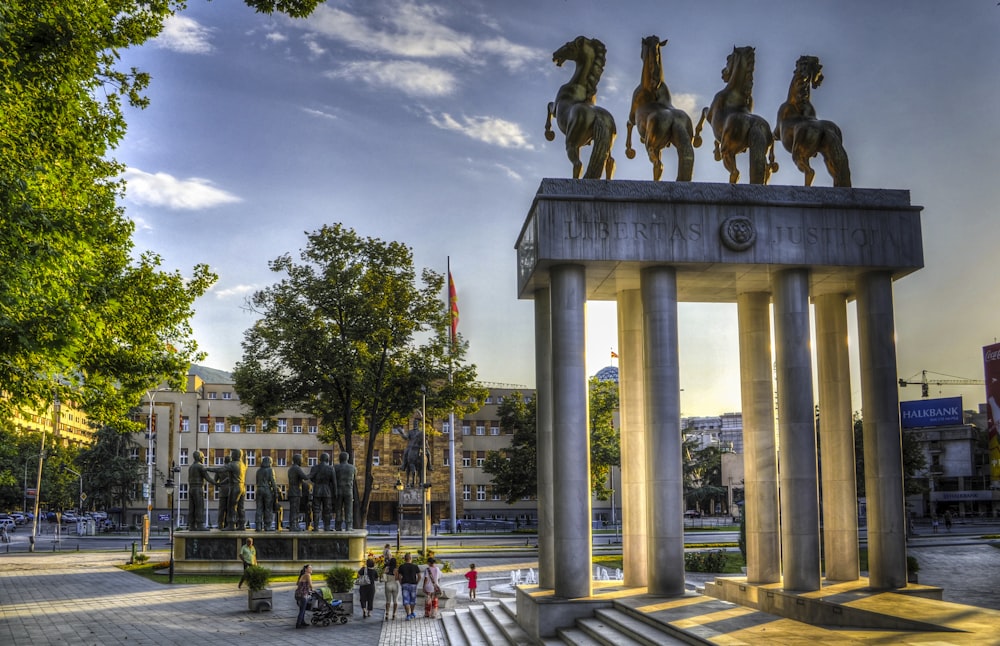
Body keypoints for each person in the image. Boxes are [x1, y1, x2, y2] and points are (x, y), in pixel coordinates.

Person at [187, 450, 216, 531]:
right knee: (199, 506)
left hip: (191, 488)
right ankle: (199, 524)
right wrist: (217, 484)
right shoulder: (200, 466)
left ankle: (192, 525)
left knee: (192, 507)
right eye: (203, 457)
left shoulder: (191, 467)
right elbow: (208, 478)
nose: (203, 459)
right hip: (198, 488)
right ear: (200, 457)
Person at [309, 453, 336, 531]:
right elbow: (334, 482)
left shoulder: (314, 468)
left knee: (316, 510)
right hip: (327, 491)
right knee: (327, 510)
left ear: (320, 459)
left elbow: (311, 478)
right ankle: (327, 527)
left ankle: (316, 527)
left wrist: (317, 482)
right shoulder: (331, 468)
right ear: (328, 459)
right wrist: (335, 492)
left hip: (317, 490)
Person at [333, 451, 356, 531]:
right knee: (348, 509)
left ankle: (338, 526)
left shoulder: (335, 467)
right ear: (347, 458)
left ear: (340, 458)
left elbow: (333, 480)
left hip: (338, 491)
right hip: (348, 491)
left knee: (338, 509)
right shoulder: (352, 468)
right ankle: (348, 526)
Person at [287, 454, 310, 530]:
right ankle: (293, 525)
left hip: (292, 491)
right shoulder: (297, 468)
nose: (302, 461)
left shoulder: (291, 468)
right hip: (295, 491)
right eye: (301, 459)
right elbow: (305, 477)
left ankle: (294, 524)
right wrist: (313, 473)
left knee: (294, 509)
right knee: (295, 509)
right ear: (298, 460)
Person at [397, 552, 421, 621]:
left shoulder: (401, 566)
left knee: (406, 600)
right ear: (410, 558)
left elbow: (399, 577)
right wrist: (416, 582)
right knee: (412, 600)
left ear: (405, 559)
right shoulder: (415, 566)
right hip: (413, 584)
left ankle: (408, 615)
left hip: (405, 584)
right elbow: (419, 576)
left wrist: (401, 583)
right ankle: (412, 612)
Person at [255, 456, 277, 531]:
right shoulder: (270, 470)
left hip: (259, 489)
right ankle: (267, 526)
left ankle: (258, 526)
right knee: (268, 508)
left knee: (259, 508)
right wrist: (276, 492)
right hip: (267, 490)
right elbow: (273, 482)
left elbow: (257, 482)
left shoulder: (258, 471)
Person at [294, 564, 314, 629]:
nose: (311, 569)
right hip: (303, 595)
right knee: (302, 610)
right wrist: (312, 590)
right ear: (306, 569)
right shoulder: (308, 575)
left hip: (298, 594)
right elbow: (311, 585)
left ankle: (302, 622)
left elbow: (298, 584)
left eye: (311, 568)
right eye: (310, 568)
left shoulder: (302, 575)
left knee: (302, 608)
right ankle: (298, 624)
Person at [383, 553, 399, 620]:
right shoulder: (396, 570)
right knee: (395, 600)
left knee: (388, 601)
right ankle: (394, 614)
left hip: (388, 585)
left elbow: (384, 577)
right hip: (395, 585)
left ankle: (387, 614)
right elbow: (397, 578)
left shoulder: (387, 568)